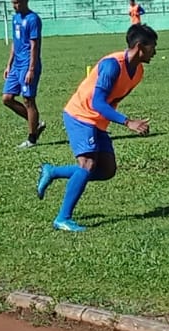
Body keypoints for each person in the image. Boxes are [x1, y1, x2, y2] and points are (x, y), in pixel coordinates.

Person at [36, 24, 157, 232]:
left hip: (98, 120)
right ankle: (62, 218)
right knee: (88, 164)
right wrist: (128, 122)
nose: (155, 51)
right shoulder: (112, 65)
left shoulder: (138, 72)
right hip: (80, 115)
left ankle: (53, 171)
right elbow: (98, 103)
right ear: (139, 46)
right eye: (152, 46)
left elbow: (111, 101)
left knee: (107, 170)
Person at [2, 0, 44, 148]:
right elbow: (15, 42)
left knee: (28, 100)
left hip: (28, 64)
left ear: (25, 1)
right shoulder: (15, 19)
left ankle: (32, 138)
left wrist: (31, 69)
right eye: (13, 3)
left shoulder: (33, 19)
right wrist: (9, 64)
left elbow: (35, 46)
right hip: (16, 65)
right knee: (7, 98)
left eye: (17, 3)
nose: (14, 6)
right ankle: (36, 123)